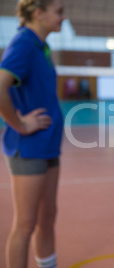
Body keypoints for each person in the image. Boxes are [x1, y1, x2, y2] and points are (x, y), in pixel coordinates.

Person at [0, 0, 65, 267]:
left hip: (48, 145)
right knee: (25, 224)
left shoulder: (41, 45)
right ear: (39, 13)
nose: (63, 18)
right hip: (28, 148)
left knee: (47, 215)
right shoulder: (24, 43)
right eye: (59, 12)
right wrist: (20, 124)